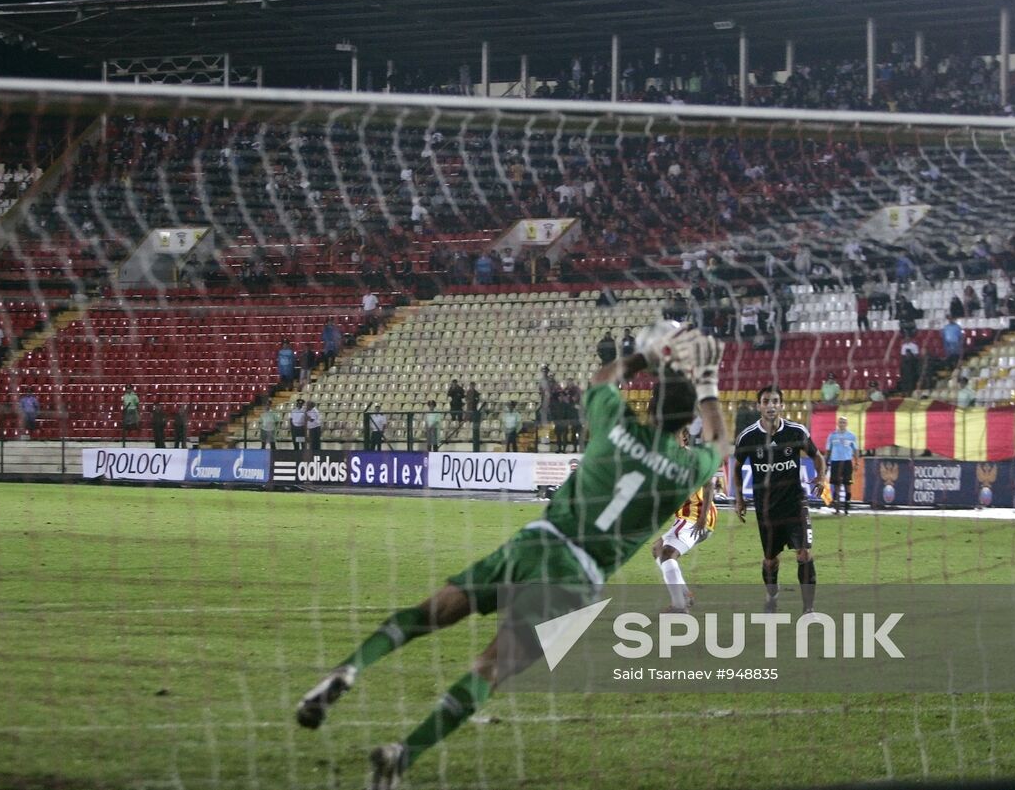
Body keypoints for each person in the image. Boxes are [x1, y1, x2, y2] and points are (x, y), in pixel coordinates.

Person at [295, 322, 729, 788]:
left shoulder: (616, 425)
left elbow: (602, 381)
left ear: (649, 404)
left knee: (428, 613)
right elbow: (720, 443)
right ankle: (402, 755)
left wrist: (644, 353)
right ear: (685, 425)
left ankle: (349, 668)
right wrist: (707, 382)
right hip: (575, 579)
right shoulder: (687, 467)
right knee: (490, 668)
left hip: (534, 542)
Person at [732, 384, 827, 614]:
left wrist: (821, 477)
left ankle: (808, 610)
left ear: (782, 405)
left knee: (804, 553)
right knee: (770, 561)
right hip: (767, 509)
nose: (771, 406)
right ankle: (772, 596)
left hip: (795, 504)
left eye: (775, 401)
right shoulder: (748, 437)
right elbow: (736, 468)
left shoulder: (796, 431)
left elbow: (818, 457)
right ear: (759, 406)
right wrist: (739, 499)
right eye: (766, 401)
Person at [650, 428, 721, 612]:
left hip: (696, 516)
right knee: (657, 549)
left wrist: (702, 518)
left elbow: (709, 485)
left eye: (676, 434)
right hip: (686, 517)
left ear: (685, 437)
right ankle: (685, 595)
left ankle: (679, 605)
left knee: (667, 553)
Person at [825, 416, 860, 516]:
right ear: (837, 423)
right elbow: (828, 450)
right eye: (840, 422)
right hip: (835, 461)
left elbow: (855, 450)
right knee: (836, 486)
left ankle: (846, 510)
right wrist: (826, 463)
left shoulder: (851, 436)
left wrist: (857, 462)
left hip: (847, 462)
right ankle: (836, 510)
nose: (842, 424)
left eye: (844, 422)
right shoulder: (832, 436)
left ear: (846, 424)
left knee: (847, 485)